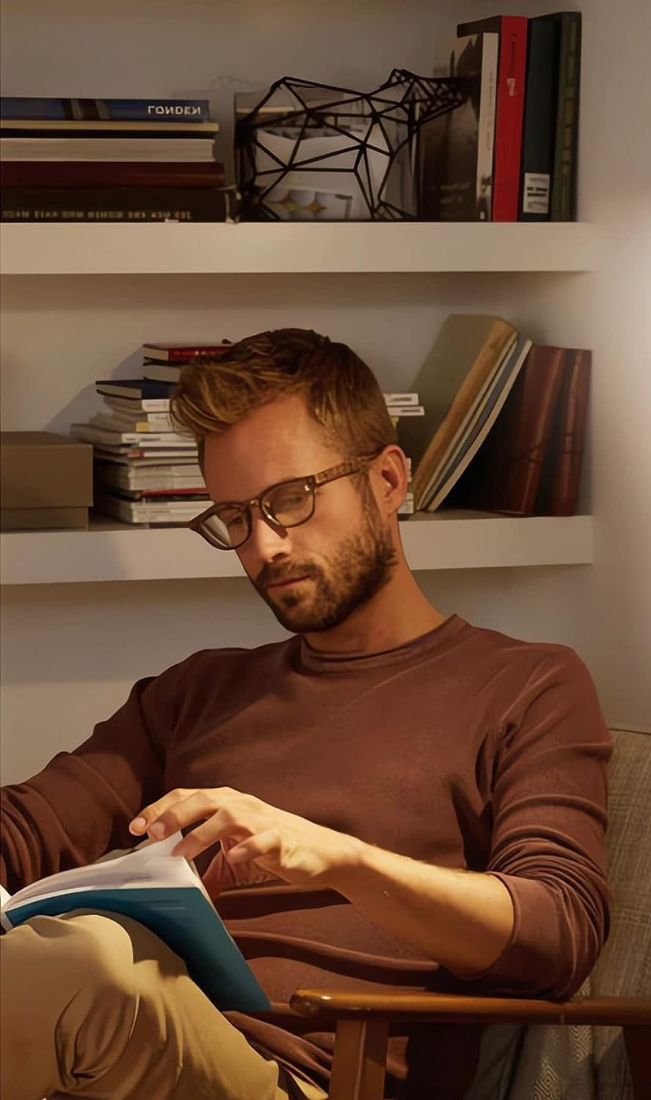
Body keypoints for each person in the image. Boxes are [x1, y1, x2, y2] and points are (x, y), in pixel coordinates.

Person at [0, 329, 612, 1100]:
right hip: (121, 1055)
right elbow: (24, 831)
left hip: (311, 1081)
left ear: (387, 479)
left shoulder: (526, 686)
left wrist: (332, 854)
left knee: (78, 962)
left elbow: (557, 931)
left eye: (290, 499)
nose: (264, 545)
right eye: (233, 516)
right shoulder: (197, 692)